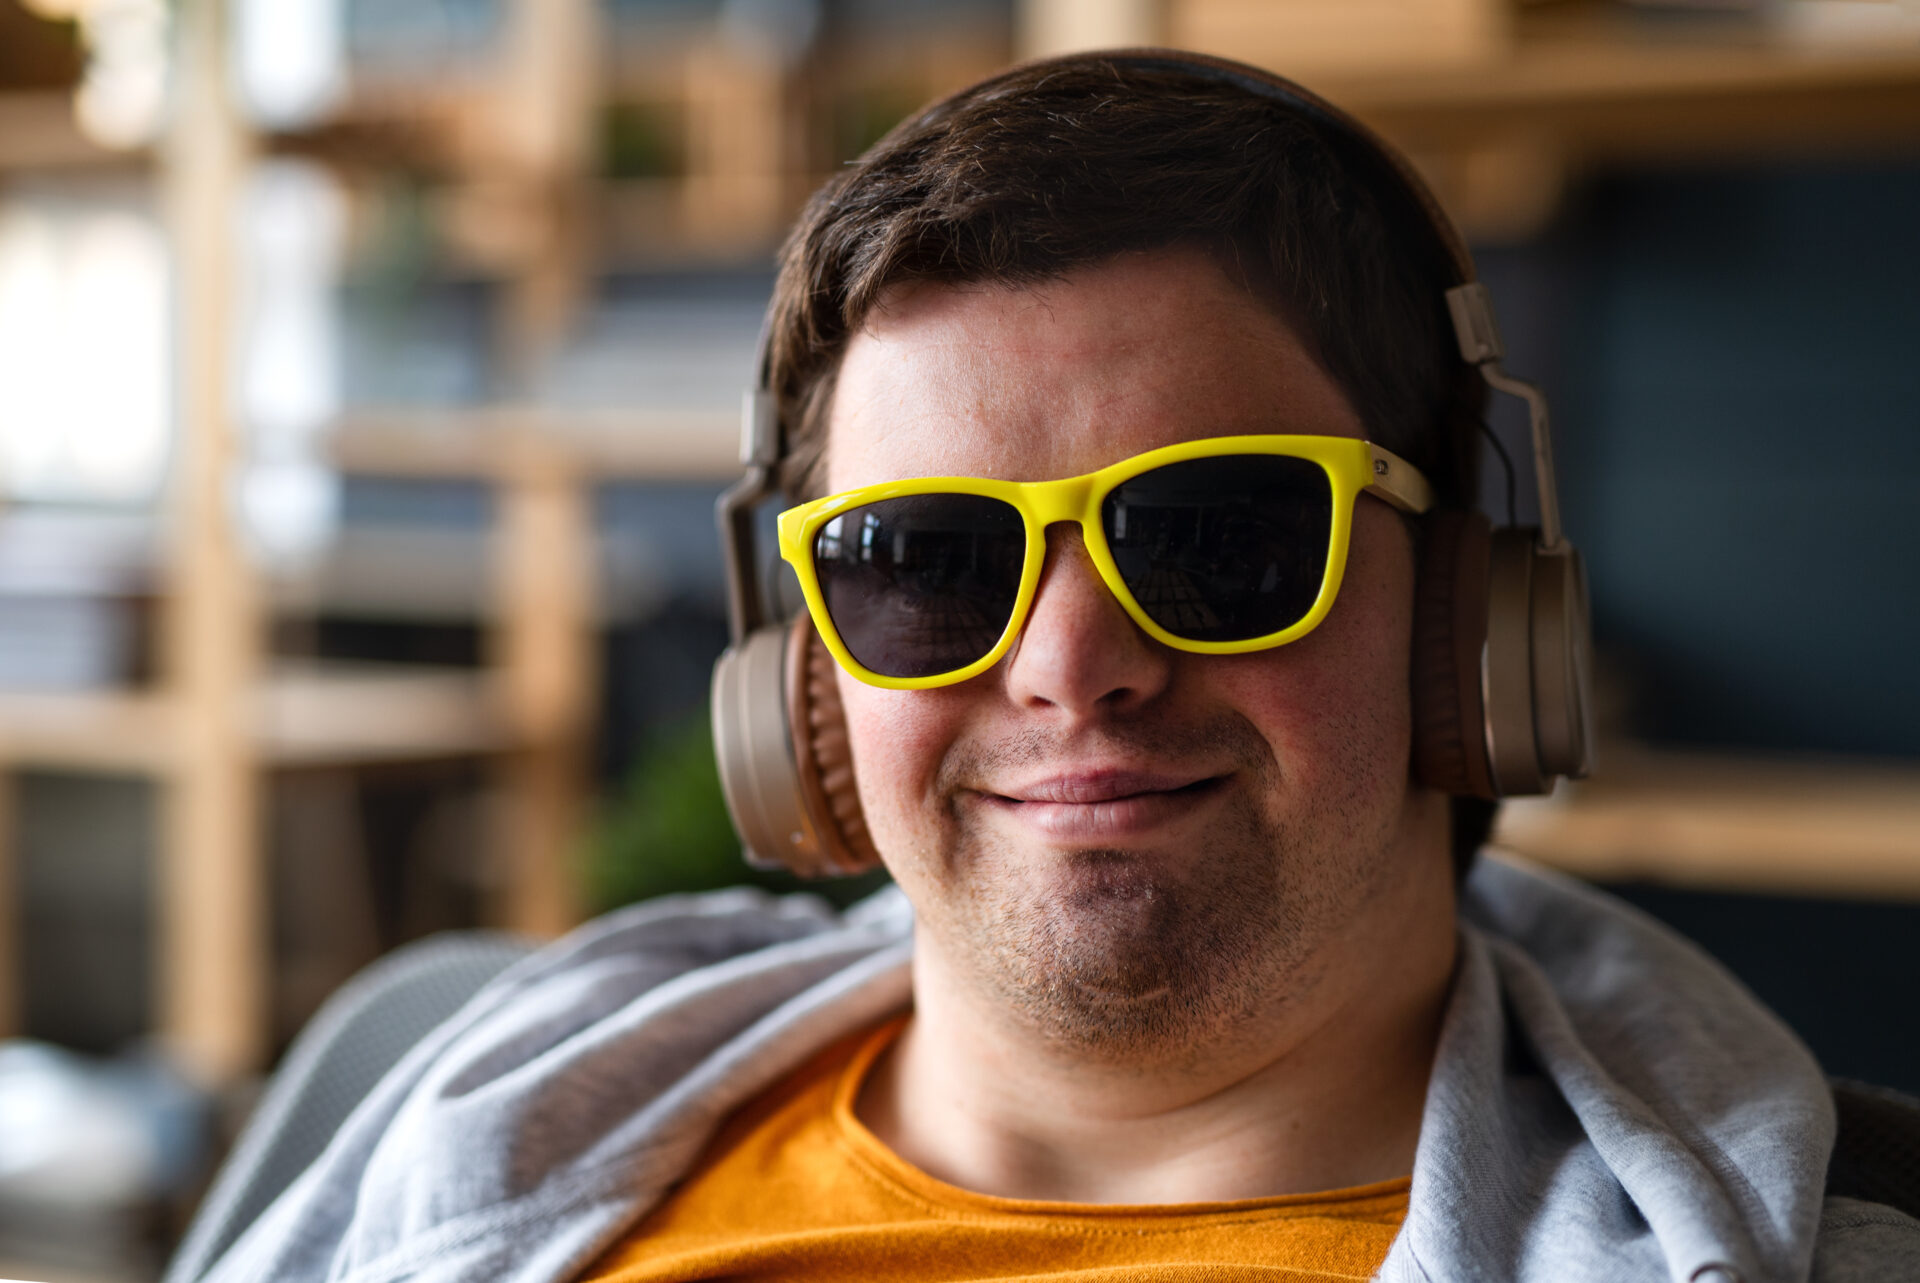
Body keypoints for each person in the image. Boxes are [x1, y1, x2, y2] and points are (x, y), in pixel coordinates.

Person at [178, 50, 1920, 1283]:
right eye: (925, 563)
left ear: (1468, 612)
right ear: (803, 674)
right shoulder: (481, 1119)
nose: (1071, 666)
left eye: (1219, 536)